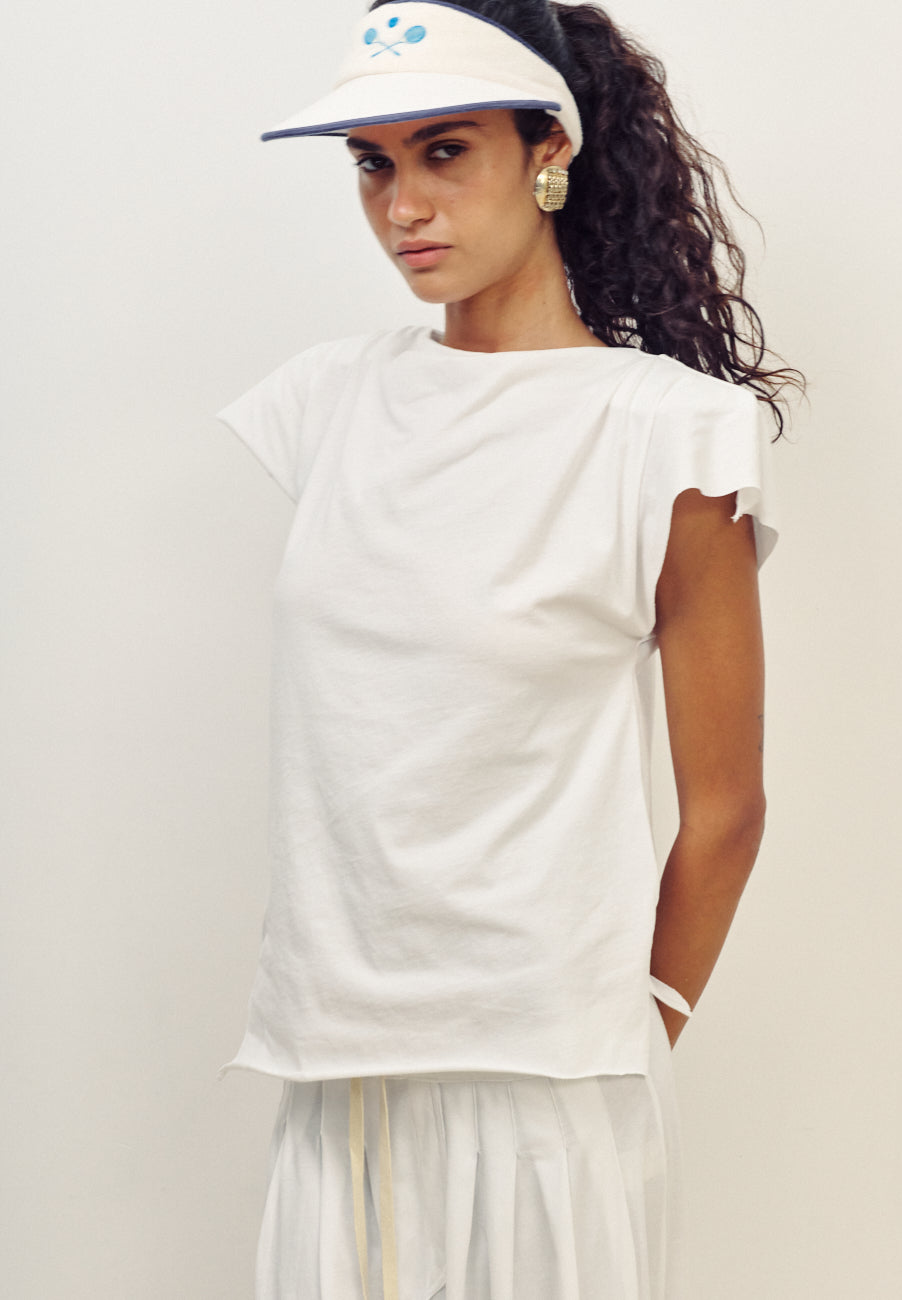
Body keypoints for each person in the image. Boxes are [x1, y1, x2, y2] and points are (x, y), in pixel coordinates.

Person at [216, 2, 802, 1297]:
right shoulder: (328, 400)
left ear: (551, 153)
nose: (403, 206)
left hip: (551, 1077)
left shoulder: (667, 433)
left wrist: (646, 1024)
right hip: (337, 1060)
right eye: (373, 164)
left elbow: (727, 807)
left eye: (445, 152)